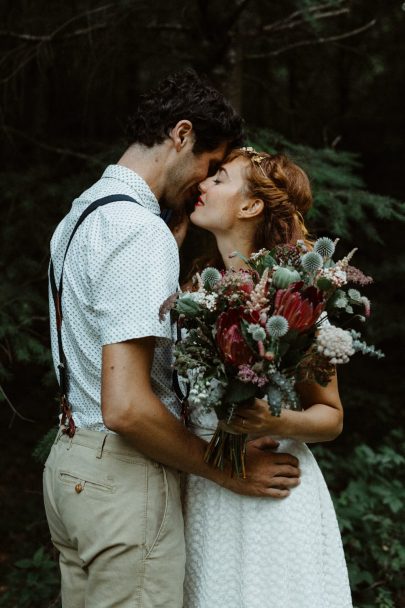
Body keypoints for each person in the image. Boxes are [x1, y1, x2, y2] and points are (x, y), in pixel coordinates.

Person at [42, 72, 301, 608]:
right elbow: (128, 407)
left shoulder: (80, 214)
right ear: (181, 135)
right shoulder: (139, 230)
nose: (203, 183)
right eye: (210, 165)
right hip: (123, 481)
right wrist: (230, 470)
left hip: (70, 468)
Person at [182, 148, 353, 608]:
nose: (202, 185)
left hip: (273, 495)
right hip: (204, 488)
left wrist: (269, 421)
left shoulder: (297, 299)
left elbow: (331, 417)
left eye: (218, 179)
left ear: (250, 205)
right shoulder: (193, 292)